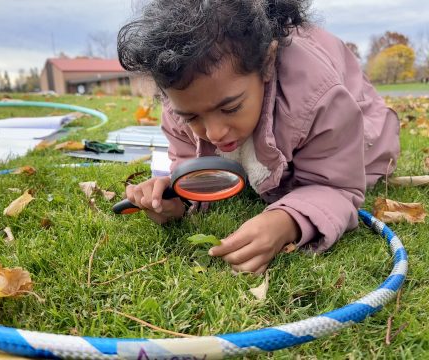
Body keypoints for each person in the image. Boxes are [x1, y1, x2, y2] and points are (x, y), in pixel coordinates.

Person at [117, 0, 400, 274]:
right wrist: (177, 196)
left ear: (267, 63)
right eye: (192, 117)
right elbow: (190, 163)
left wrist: (285, 221)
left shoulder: (319, 97)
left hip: (364, 137)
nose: (214, 133)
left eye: (230, 107)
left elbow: (338, 187)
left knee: (360, 160)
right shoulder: (180, 99)